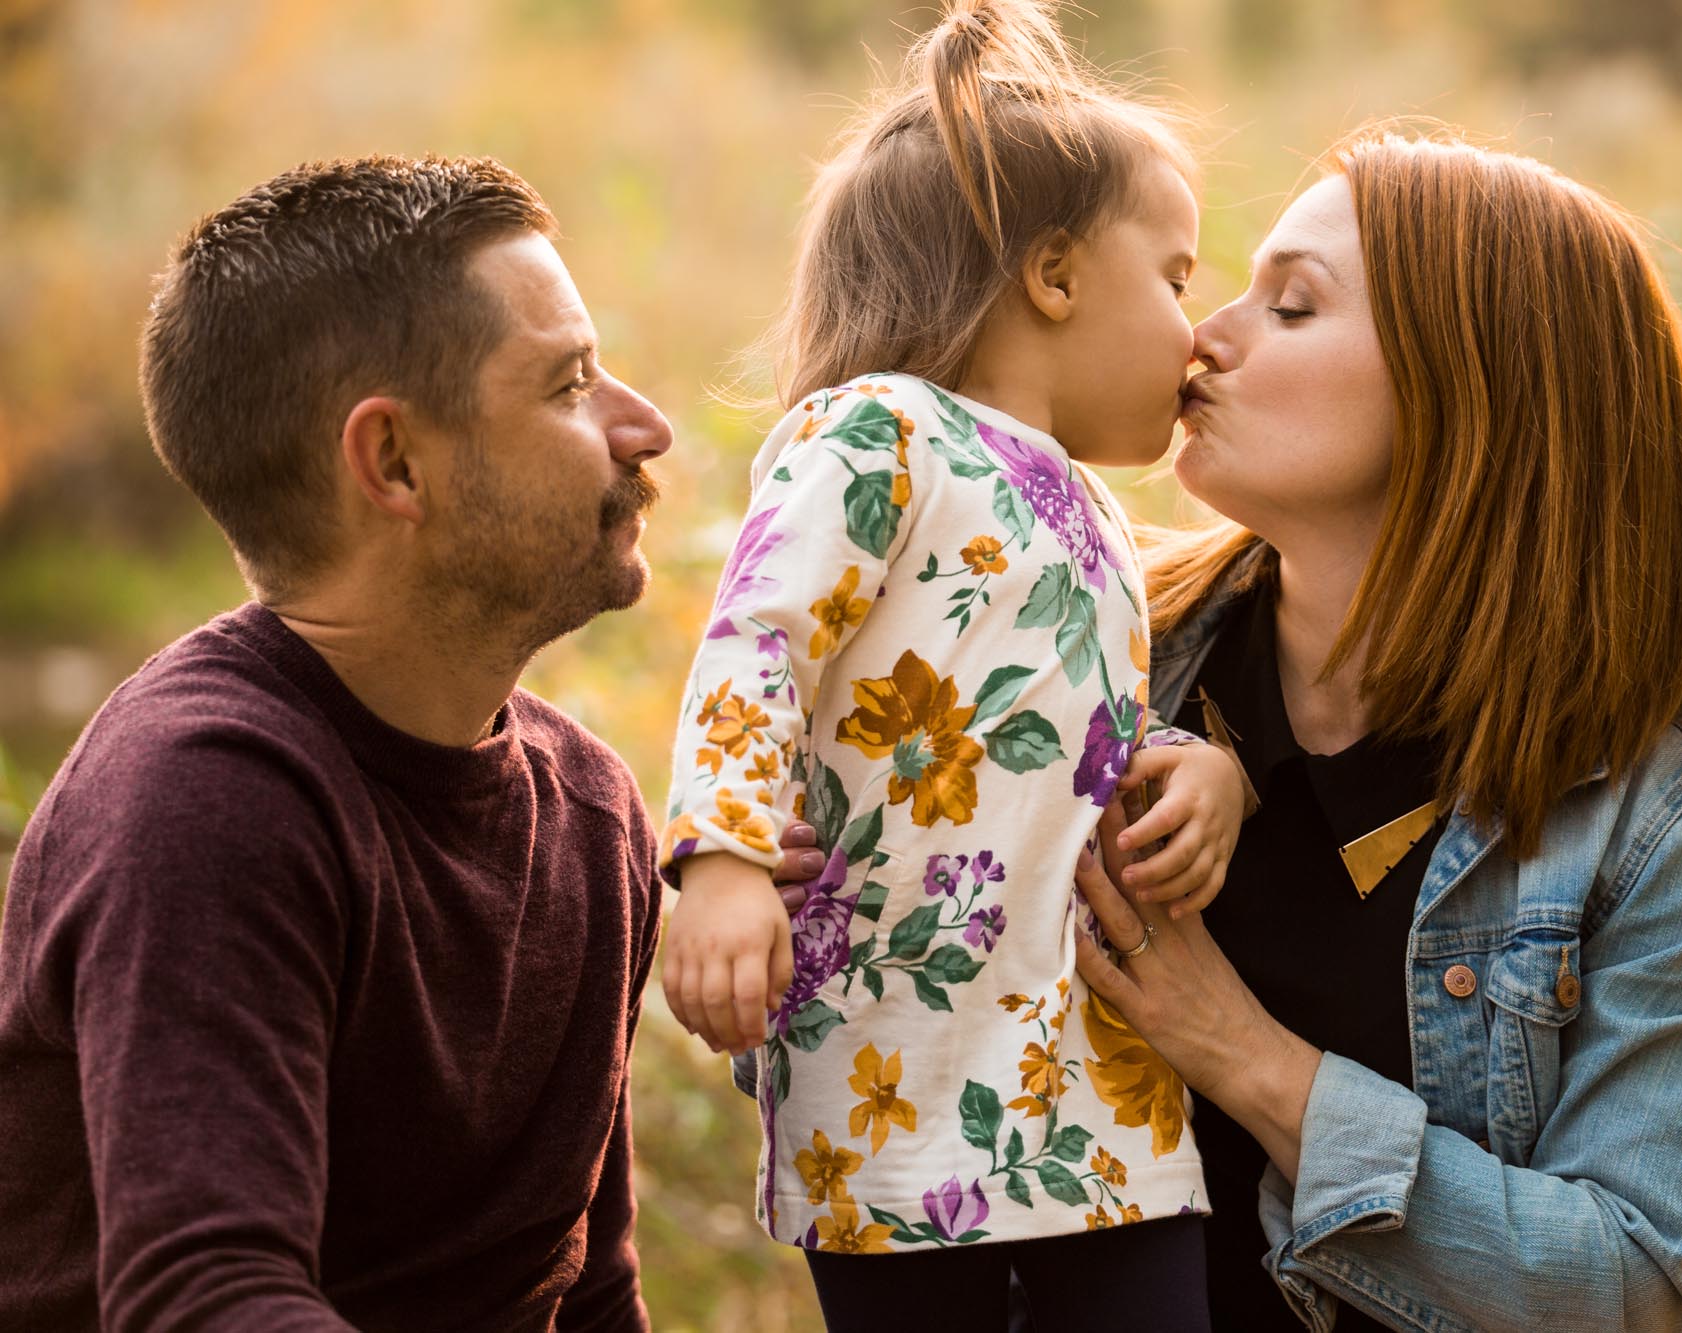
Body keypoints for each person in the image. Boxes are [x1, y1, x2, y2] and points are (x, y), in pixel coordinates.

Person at [0, 154, 818, 1330]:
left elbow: (586, 1294)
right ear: (392, 462)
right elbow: (206, 1297)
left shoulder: (591, 813)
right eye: (569, 383)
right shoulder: (206, 802)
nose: (644, 425)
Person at [1070, 126, 1682, 1331]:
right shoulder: (1089, 638)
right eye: (1229, 289)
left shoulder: (1664, 809)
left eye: (1292, 307)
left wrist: (1243, 1056)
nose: (1205, 337)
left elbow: (1631, 1280)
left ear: (1472, 391)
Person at [656, 3, 1246, 1329]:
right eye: (1177, 277)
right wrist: (726, 860)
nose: (1197, 332)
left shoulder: (1093, 512)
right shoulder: (882, 435)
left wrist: (1194, 770)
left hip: (1096, 1091)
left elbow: (1073, 729)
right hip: (897, 1083)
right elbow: (756, 641)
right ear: (1054, 276)